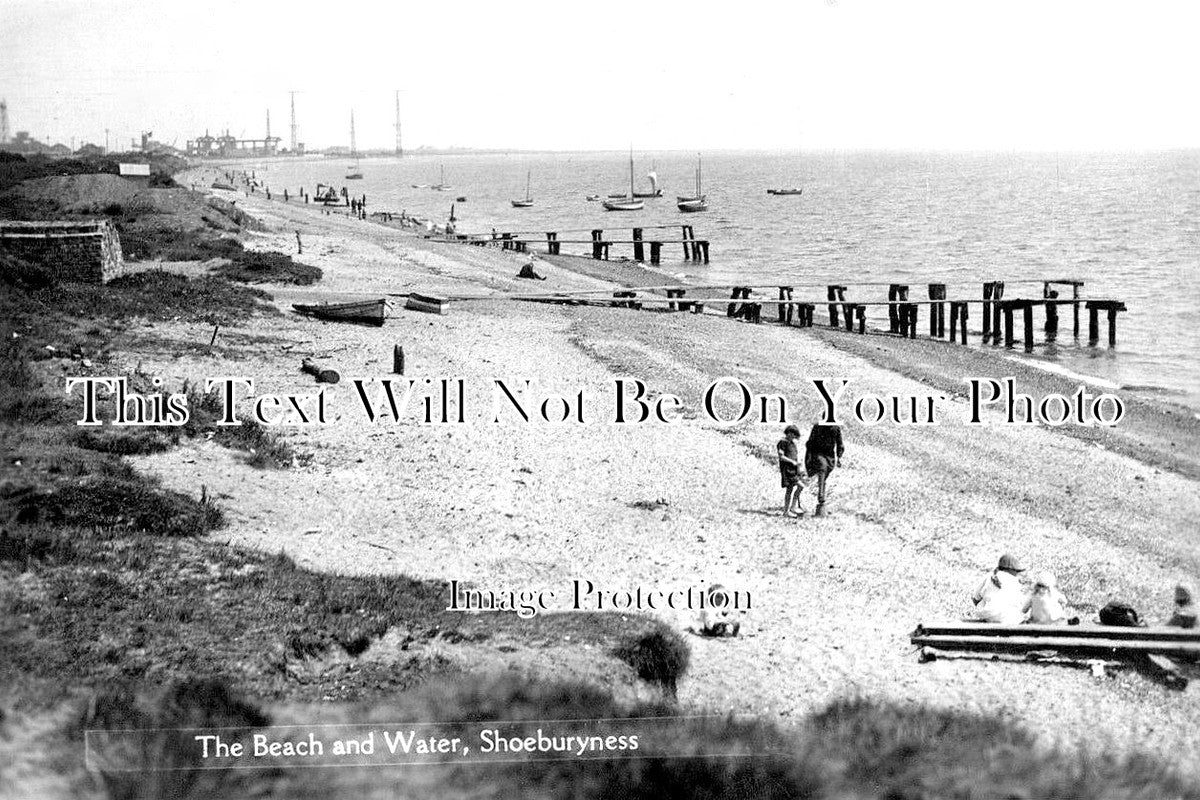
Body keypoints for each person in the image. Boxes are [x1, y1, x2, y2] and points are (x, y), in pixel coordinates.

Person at [971, 553, 1027, 624]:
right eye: (1016, 571)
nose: (1017, 573)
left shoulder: (989, 576)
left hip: (987, 614)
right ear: (1010, 569)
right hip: (1006, 616)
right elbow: (1021, 604)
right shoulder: (1014, 581)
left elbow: (975, 598)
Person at [804, 420, 844, 517]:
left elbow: (840, 443)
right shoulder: (817, 427)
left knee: (826, 471)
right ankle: (821, 496)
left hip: (829, 455)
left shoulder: (836, 428)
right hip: (817, 453)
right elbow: (810, 442)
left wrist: (839, 457)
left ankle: (821, 487)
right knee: (822, 467)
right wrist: (809, 456)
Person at [776, 424, 805, 517]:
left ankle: (792, 508)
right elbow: (781, 456)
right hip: (787, 470)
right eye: (792, 434)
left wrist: (798, 465)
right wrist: (792, 462)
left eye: (794, 435)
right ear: (788, 433)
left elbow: (795, 456)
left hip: (794, 470)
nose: (793, 436)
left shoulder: (792, 444)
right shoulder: (782, 442)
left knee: (798, 487)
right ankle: (786, 511)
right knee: (791, 489)